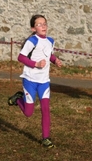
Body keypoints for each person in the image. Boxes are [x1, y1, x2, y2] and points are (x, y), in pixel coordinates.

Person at [8, 14, 62, 148]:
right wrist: (35, 64)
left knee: (45, 109)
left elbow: (48, 54)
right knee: (28, 113)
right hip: (30, 80)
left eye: (44, 23)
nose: (43, 26)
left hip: (44, 81)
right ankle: (18, 99)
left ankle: (46, 138)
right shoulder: (32, 40)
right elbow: (21, 57)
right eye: (39, 24)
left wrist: (55, 60)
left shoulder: (50, 40)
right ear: (33, 28)